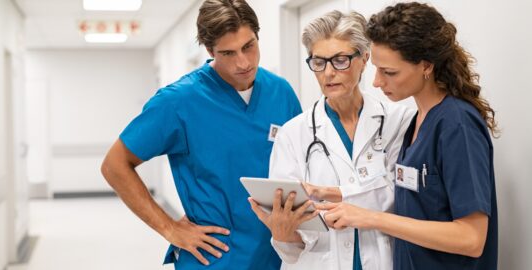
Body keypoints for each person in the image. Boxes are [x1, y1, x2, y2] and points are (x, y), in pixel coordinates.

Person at [100, 0, 302, 269]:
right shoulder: (178, 102)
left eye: (248, 46)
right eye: (228, 53)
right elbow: (114, 165)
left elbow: (301, 165)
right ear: (209, 50)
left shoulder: (281, 92)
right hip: (216, 256)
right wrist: (169, 228)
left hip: (278, 255)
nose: (243, 62)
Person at [316, 2, 499, 270]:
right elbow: (415, 203)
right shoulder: (416, 122)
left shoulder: (456, 124)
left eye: (389, 72)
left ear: (426, 66)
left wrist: (371, 218)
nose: (377, 82)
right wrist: (340, 195)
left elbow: (471, 238)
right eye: (377, 69)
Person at [249, 10, 414, 270]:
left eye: (340, 60)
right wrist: (282, 231)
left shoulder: (398, 120)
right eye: (318, 61)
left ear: (365, 58)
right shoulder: (293, 134)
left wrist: (334, 195)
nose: (327, 73)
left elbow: (398, 196)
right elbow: (292, 247)